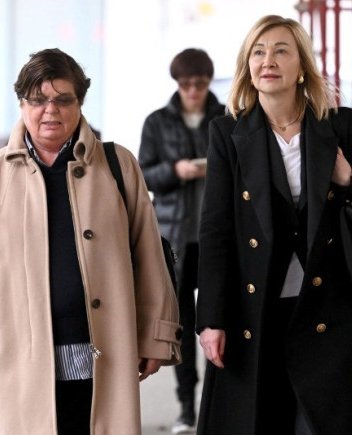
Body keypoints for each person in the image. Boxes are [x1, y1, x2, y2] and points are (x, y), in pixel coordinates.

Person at [0, 48, 182, 435]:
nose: (50, 110)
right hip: (20, 357)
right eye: (38, 100)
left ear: (79, 104)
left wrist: (156, 336)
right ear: (22, 104)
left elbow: (149, 257)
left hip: (104, 352)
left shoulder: (118, 166)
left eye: (63, 100)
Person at [196, 15, 352, 435]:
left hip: (323, 304)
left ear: (302, 65)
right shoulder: (227, 133)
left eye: (281, 50)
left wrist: (347, 177)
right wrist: (210, 319)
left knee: (319, 422)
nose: (268, 60)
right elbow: (215, 231)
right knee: (256, 419)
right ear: (248, 66)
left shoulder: (338, 125)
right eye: (258, 52)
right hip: (252, 306)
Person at [138, 48, 225, 434]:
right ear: (177, 83)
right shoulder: (157, 122)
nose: (192, 91)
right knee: (182, 325)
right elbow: (143, 175)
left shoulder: (227, 119)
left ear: (208, 83)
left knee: (219, 320)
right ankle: (187, 409)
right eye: (186, 84)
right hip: (174, 238)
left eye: (199, 84)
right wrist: (176, 171)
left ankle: (218, 406)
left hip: (217, 237)